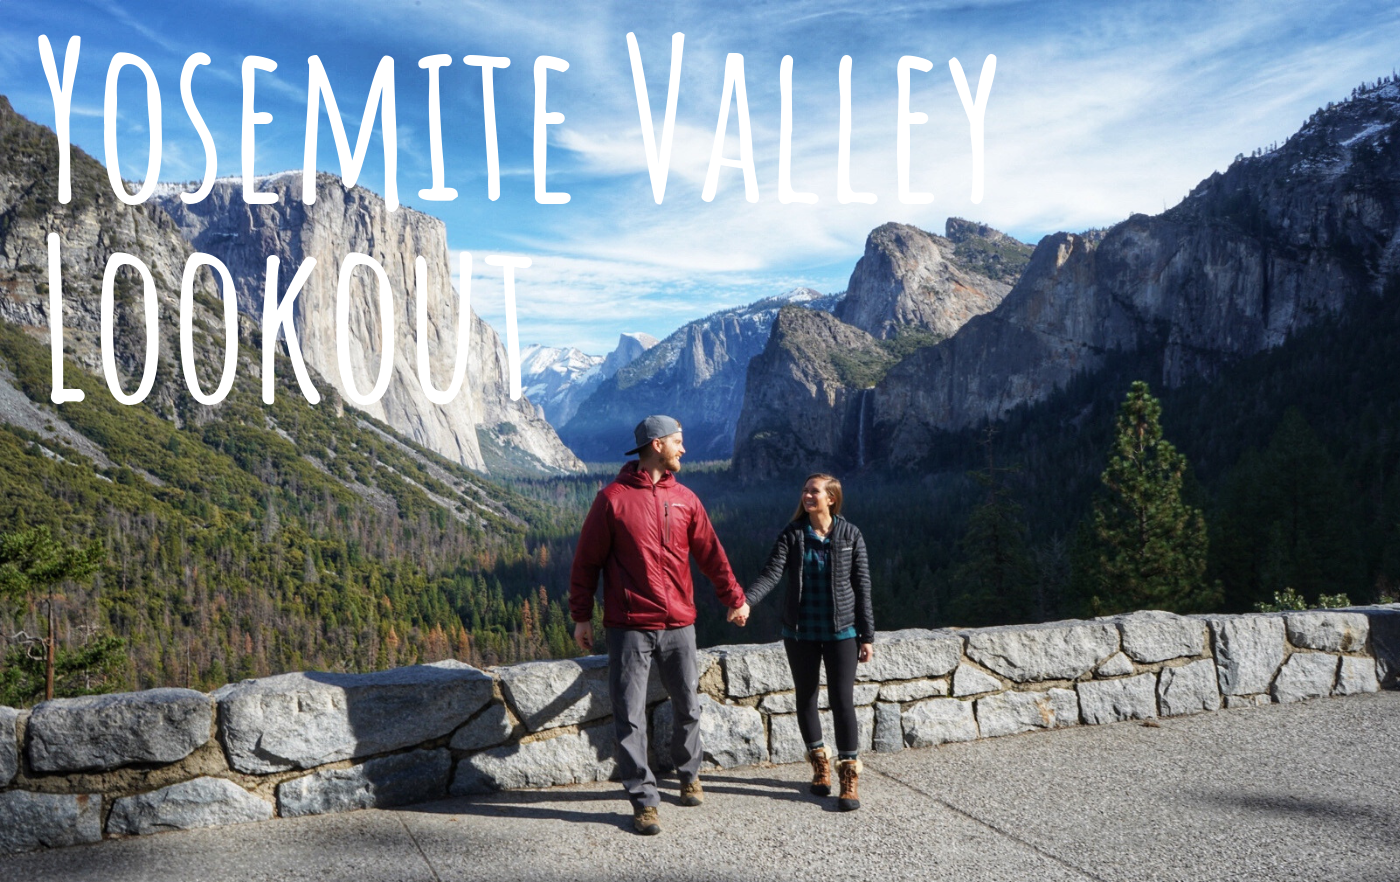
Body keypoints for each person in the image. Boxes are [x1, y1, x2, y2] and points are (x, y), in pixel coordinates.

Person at [569, 415, 751, 836]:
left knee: (688, 704)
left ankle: (689, 775)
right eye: (677, 442)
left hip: (680, 623)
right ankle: (644, 800)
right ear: (656, 445)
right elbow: (586, 563)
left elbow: (711, 555)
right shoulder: (612, 499)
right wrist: (582, 616)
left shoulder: (686, 498)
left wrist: (735, 598)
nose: (684, 449)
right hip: (630, 625)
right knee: (629, 715)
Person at [743, 473, 874, 811]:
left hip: (842, 631)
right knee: (806, 698)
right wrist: (746, 601)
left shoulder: (850, 535)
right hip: (800, 632)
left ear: (832, 498)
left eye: (814, 491)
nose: (806, 496)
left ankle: (849, 774)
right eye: (804, 490)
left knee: (842, 700)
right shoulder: (793, 535)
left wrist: (867, 635)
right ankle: (820, 767)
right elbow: (772, 573)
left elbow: (862, 587)